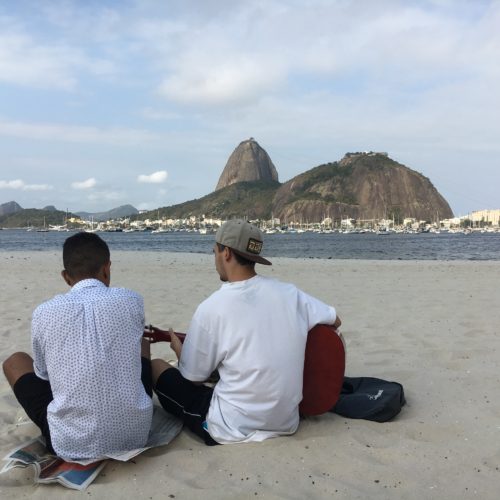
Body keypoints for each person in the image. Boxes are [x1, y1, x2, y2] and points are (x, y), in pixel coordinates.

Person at [152, 219, 341, 445]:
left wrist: (179, 350)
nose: (215, 260)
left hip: (229, 428)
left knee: (157, 367)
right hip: (286, 422)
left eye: (215, 252)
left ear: (227, 253)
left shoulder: (212, 308)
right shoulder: (291, 293)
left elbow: (193, 378)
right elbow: (335, 320)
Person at [2, 232, 153, 461]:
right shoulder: (132, 300)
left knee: (15, 361)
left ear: (66, 276)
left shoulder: (44, 312)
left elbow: (43, 376)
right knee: (141, 339)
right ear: (107, 268)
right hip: (135, 435)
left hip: (70, 444)